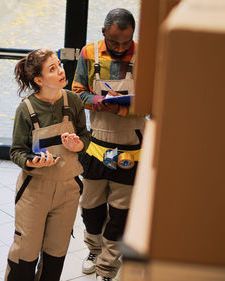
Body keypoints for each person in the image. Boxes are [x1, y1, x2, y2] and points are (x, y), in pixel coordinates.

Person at [71, 8, 147, 281]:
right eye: (114, 42)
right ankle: (94, 249)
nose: (120, 47)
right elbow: (77, 93)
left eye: (126, 42)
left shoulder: (146, 55)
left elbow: (153, 103)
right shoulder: (88, 53)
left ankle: (107, 266)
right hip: (98, 143)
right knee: (90, 207)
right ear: (104, 33)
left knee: (120, 212)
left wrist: (123, 109)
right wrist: (97, 102)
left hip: (132, 144)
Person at [5, 49, 89, 281]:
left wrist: (78, 146)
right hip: (34, 191)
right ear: (39, 80)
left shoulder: (72, 101)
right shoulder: (27, 109)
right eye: (53, 69)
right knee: (26, 253)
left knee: (56, 252)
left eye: (59, 64)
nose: (61, 70)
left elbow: (85, 136)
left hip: (68, 190)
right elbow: (16, 151)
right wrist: (32, 161)